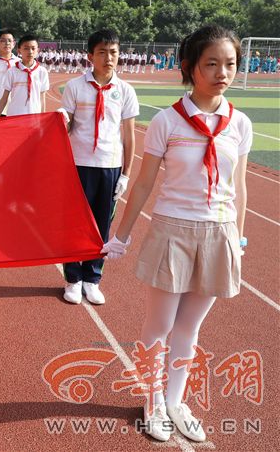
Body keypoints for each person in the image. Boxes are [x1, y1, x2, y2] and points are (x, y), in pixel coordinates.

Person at [102, 25, 251, 443]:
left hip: (218, 233)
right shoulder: (167, 121)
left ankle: (175, 400)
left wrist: (238, 240)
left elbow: (239, 187)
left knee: (190, 329)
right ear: (189, 67)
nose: (223, 73)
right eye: (212, 64)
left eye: (230, 64)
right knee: (160, 325)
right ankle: (152, 400)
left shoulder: (239, 124)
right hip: (172, 231)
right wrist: (121, 236)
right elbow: (144, 184)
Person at [58, 29, 138, 305]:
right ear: (90, 56)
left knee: (102, 226)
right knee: (73, 223)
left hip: (109, 166)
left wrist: (126, 174)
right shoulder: (75, 87)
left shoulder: (125, 91)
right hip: (78, 165)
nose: (108, 58)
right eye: (102, 52)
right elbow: (67, 126)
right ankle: (73, 279)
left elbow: (129, 136)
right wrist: (61, 120)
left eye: (113, 52)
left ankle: (92, 278)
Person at [0, 34, 50, 117]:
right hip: (14, 116)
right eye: (26, 48)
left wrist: (43, 118)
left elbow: (42, 98)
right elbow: (4, 97)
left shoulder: (42, 72)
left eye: (33, 48)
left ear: (38, 50)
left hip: (34, 116)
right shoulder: (12, 71)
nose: (30, 52)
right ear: (19, 51)